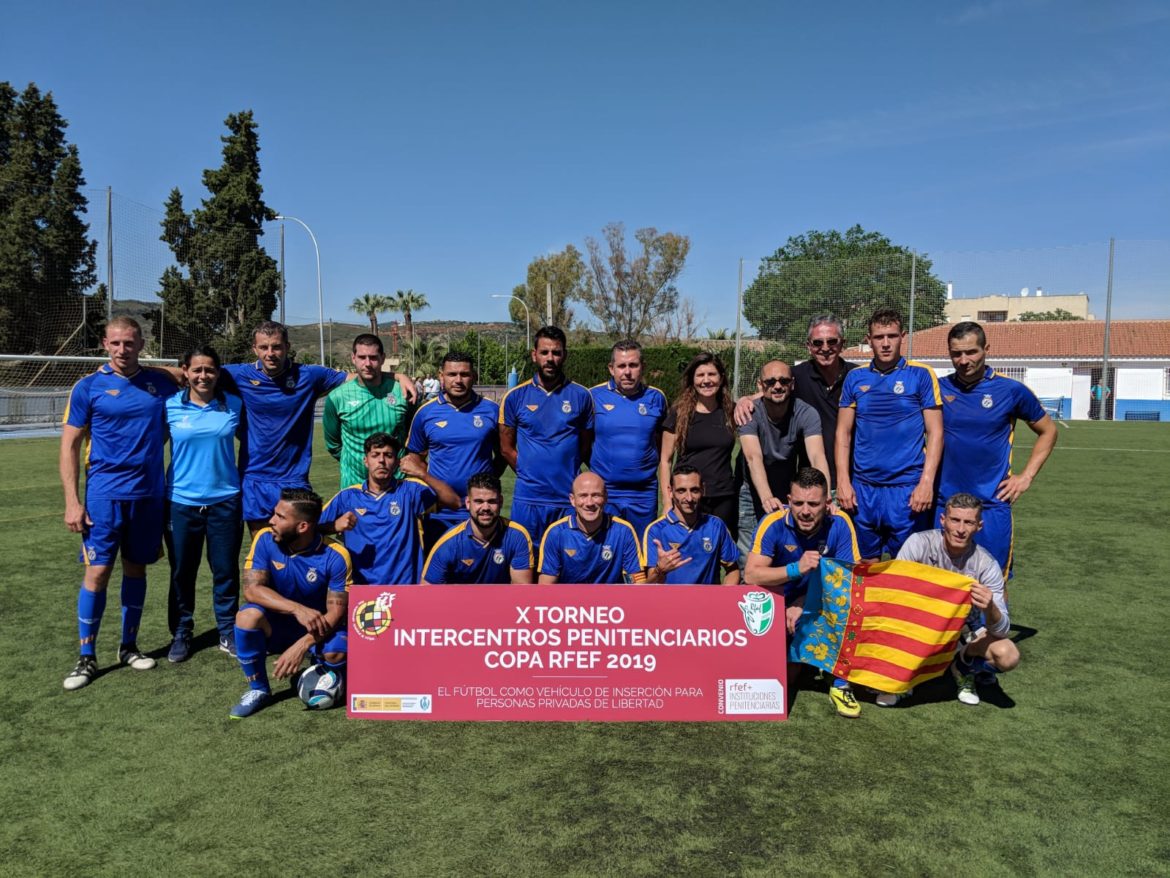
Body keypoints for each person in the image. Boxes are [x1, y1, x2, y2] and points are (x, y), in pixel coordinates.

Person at [60, 316, 180, 690]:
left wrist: (162, 368)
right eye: (115, 343)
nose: (122, 350)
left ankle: (128, 646)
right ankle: (86, 656)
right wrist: (72, 502)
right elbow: (69, 446)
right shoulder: (88, 387)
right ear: (104, 344)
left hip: (148, 495)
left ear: (141, 343)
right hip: (103, 496)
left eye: (129, 343)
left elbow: (189, 372)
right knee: (97, 573)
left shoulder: (159, 383)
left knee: (136, 571)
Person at [217, 321, 416, 534]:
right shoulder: (239, 375)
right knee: (261, 546)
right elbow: (193, 373)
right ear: (254, 349)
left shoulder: (309, 375)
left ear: (287, 347)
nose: (270, 353)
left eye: (276, 346)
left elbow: (360, 375)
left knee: (301, 543)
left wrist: (397, 376)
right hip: (255, 476)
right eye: (264, 347)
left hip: (294, 477)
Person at [939, 322, 1057, 575]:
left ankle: (996, 617)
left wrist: (1025, 478)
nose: (963, 360)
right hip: (944, 504)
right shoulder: (938, 388)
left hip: (990, 504)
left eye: (971, 352)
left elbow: (1048, 431)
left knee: (992, 581)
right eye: (956, 353)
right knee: (942, 582)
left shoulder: (1011, 390)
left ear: (986, 349)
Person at [744, 467, 861, 717]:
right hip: (773, 607)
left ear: (827, 503)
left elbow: (847, 582)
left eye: (813, 504)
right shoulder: (773, 523)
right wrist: (796, 568)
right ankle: (804, 658)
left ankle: (840, 682)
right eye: (798, 503)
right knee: (785, 678)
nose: (805, 511)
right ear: (789, 501)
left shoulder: (840, 524)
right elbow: (751, 575)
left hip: (814, 606)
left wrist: (804, 602)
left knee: (850, 604)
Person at [229, 489, 352, 718]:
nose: (271, 521)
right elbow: (251, 590)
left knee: (335, 653)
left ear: (303, 526)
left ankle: (326, 671)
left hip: (318, 628)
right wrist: (297, 608)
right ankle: (258, 689)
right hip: (279, 625)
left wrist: (303, 644)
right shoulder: (265, 538)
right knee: (246, 617)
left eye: (280, 517)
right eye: (275, 514)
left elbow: (336, 612)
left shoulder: (336, 555)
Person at [894, 493, 1020, 707]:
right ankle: (903, 674)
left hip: (964, 628)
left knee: (1008, 655)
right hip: (917, 622)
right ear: (943, 520)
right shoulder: (919, 544)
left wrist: (990, 608)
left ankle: (963, 666)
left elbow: (1002, 630)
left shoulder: (986, 564)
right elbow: (893, 592)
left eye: (969, 522)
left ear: (979, 526)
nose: (961, 529)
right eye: (955, 520)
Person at [836, 308, 942, 560]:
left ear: (902, 336)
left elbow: (936, 432)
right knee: (864, 566)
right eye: (879, 337)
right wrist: (843, 481)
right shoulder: (855, 377)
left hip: (906, 488)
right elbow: (843, 433)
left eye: (892, 336)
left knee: (906, 568)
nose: (885, 343)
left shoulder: (921, 375)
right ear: (868, 339)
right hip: (864, 489)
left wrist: (926, 483)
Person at [163, 345, 244, 663]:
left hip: (225, 501)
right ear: (185, 371)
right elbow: (153, 449)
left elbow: (252, 446)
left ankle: (227, 630)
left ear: (218, 372)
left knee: (224, 571)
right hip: (181, 502)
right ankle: (182, 633)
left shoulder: (234, 405)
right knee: (182, 571)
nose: (203, 375)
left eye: (209, 369)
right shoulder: (169, 406)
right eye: (196, 369)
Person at [735, 314, 857, 490]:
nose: (825, 348)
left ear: (842, 343)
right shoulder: (796, 376)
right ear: (808, 346)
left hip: (854, 479)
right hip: (812, 483)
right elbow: (771, 389)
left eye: (831, 341)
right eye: (817, 342)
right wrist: (744, 400)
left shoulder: (858, 376)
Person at [322, 433, 460, 585]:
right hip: (362, 590)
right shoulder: (347, 497)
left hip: (405, 588)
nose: (381, 461)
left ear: (396, 463)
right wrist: (333, 526)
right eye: (375, 455)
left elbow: (454, 502)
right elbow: (308, 529)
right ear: (366, 461)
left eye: (388, 455)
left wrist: (422, 473)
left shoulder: (410, 491)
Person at [500, 326, 594, 542]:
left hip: (567, 498)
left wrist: (564, 469)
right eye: (544, 352)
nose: (550, 358)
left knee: (567, 562)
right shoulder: (515, 397)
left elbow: (585, 445)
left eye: (556, 352)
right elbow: (506, 448)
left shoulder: (581, 396)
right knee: (526, 562)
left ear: (565, 355)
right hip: (529, 498)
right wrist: (528, 471)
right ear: (534, 355)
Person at [734, 359, 830, 563]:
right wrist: (766, 497)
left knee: (786, 548)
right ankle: (749, 592)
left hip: (786, 486)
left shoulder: (806, 413)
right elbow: (753, 457)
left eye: (783, 381)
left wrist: (826, 494)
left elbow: (816, 455)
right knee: (748, 553)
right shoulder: (749, 413)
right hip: (752, 489)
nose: (777, 386)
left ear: (792, 384)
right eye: (770, 382)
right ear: (760, 385)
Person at [404, 351, 501, 549]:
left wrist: (486, 480)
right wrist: (437, 490)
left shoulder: (492, 410)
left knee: (480, 571)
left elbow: (503, 454)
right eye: (452, 374)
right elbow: (414, 460)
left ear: (473, 376)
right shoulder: (425, 413)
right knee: (439, 572)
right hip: (439, 510)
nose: (458, 380)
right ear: (441, 376)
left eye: (464, 374)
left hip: (480, 508)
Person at [589, 340, 668, 537]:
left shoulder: (656, 398)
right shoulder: (593, 396)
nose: (627, 372)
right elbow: (583, 442)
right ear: (611, 368)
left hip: (643, 493)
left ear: (643, 367)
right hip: (605, 491)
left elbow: (661, 444)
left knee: (641, 554)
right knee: (606, 551)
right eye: (621, 366)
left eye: (633, 365)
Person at [659, 352, 738, 540]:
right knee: (686, 550)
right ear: (692, 380)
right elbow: (665, 460)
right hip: (688, 495)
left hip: (723, 495)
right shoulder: (679, 413)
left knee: (720, 553)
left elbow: (761, 400)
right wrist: (667, 500)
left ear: (721, 378)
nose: (706, 380)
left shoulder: (732, 411)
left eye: (711, 374)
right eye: (700, 375)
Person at [322, 333, 414, 489]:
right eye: (362, 357)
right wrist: (356, 462)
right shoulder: (337, 397)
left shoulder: (403, 392)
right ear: (353, 358)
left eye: (373, 357)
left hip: (397, 485)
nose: (367, 363)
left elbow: (415, 437)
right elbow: (333, 445)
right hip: (354, 485)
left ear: (383, 358)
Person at [422, 473, 534, 584]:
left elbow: (521, 592)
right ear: (468, 503)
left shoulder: (517, 536)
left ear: (501, 502)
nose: (485, 508)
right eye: (479, 501)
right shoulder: (449, 544)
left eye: (491, 501)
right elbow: (427, 593)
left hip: (502, 601)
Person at [538, 473, 646, 584]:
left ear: (605, 498)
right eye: (583, 496)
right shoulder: (556, 533)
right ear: (572, 500)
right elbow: (546, 588)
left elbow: (636, 584)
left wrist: (658, 571)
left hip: (612, 600)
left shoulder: (623, 531)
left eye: (596, 495)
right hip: (569, 600)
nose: (589, 503)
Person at [644, 465, 739, 585]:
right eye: (681, 491)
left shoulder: (716, 526)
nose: (689, 498)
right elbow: (648, 587)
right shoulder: (655, 530)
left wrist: (723, 599)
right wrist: (660, 570)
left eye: (694, 490)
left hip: (707, 602)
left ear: (703, 490)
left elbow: (733, 569)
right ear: (670, 492)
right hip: (670, 602)